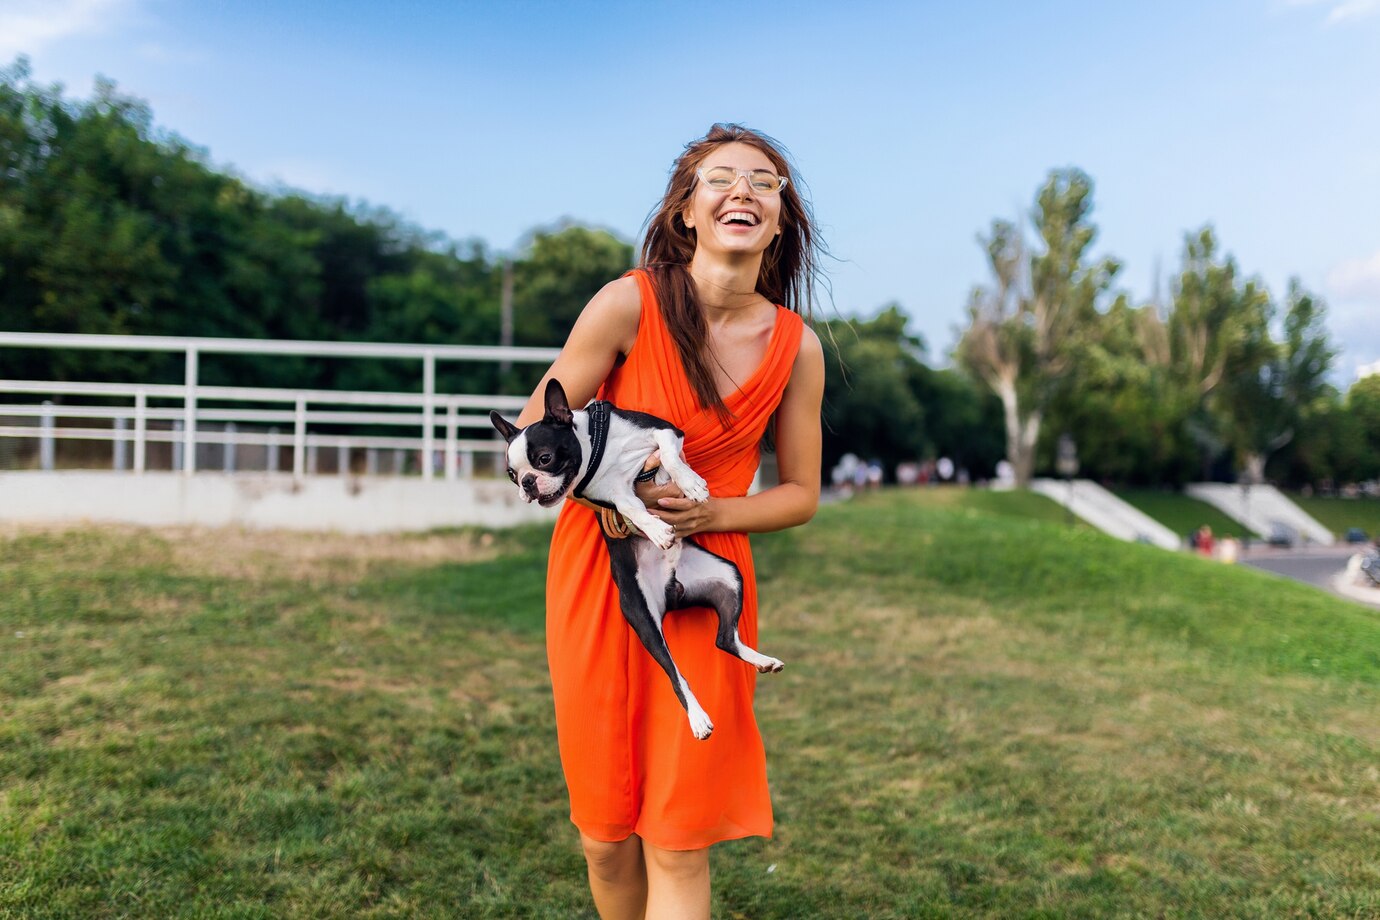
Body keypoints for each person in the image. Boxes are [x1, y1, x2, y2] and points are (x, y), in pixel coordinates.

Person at [513, 124, 826, 919]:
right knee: (607, 835)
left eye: (764, 181)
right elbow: (532, 439)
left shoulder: (797, 348)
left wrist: (715, 509)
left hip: (703, 581)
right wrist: (620, 494)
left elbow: (800, 494)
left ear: (780, 220)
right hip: (599, 574)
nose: (743, 191)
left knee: (678, 837)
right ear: (687, 210)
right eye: (720, 178)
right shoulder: (627, 303)